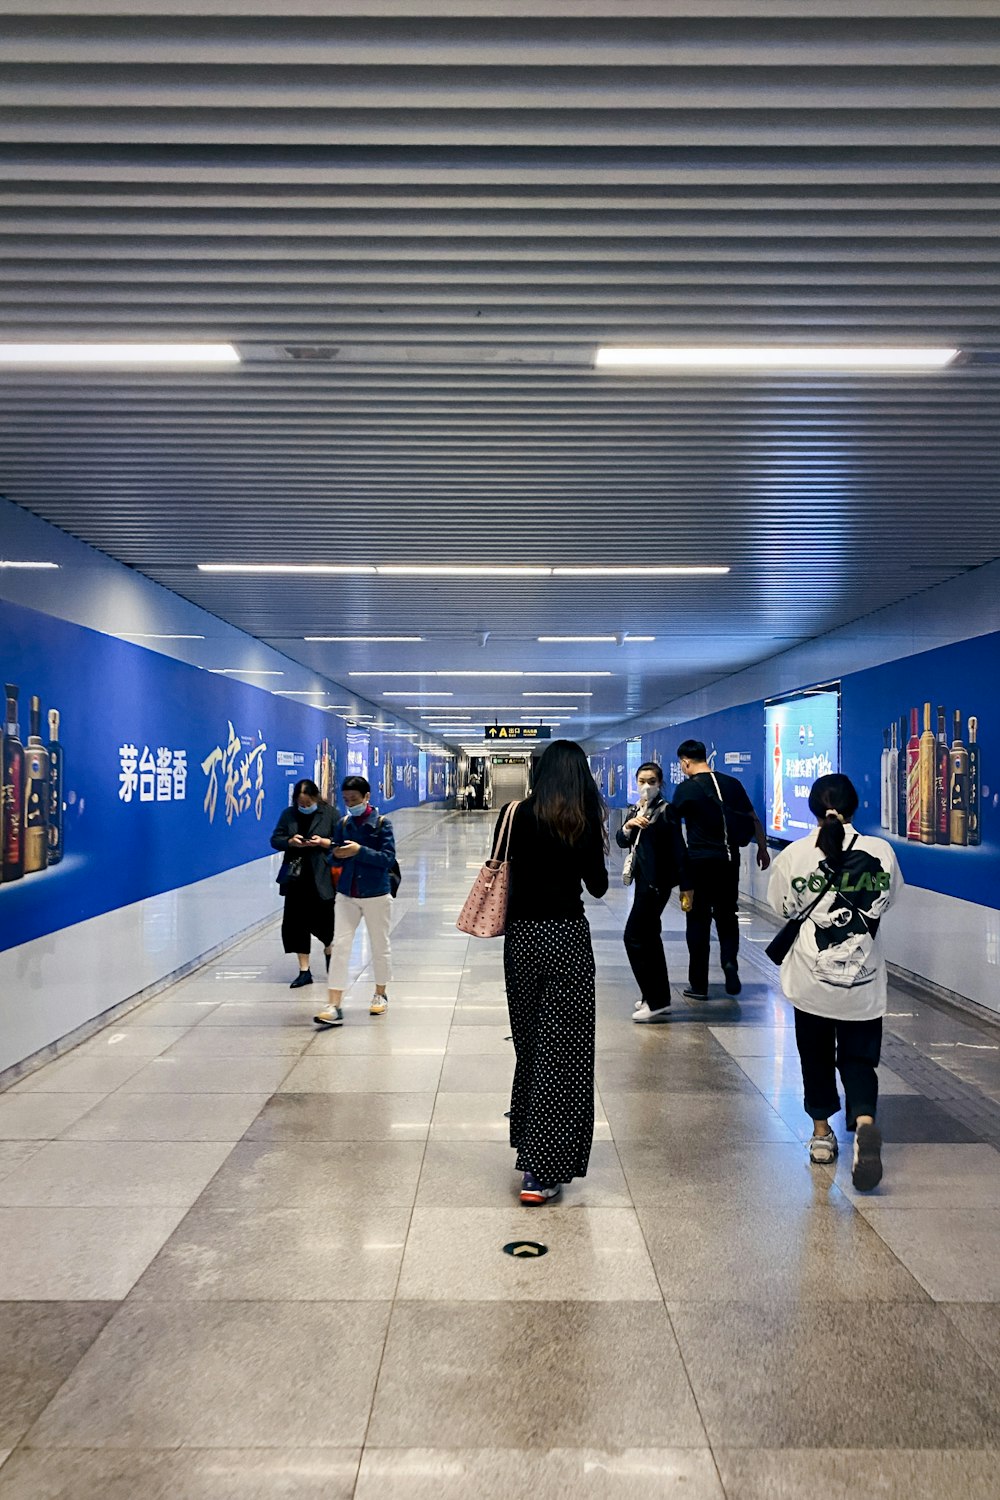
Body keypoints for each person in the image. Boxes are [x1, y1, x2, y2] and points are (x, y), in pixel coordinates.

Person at [767, 773, 902, 1191]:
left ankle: (822, 1137)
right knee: (860, 1059)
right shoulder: (880, 851)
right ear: (855, 805)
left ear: (811, 806)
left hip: (811, 981)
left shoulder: (795, 854)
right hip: (864, 983)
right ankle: (863, 1122)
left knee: (816, 1055)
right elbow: (888, 899)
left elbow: (782, 905)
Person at [496, 739, 609, 1205]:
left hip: (521, 941)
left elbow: (501, 868)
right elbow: (598, 887)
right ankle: (542, 1169)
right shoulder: (581, 820)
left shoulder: (513, 814)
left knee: (530, 1045)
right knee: (564, 1052)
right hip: (566, 939)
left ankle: (530, 1145)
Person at [673, 739, 771, 1000]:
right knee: (727, 915)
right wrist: (762, 848)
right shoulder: (732, 784)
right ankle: (729, 962)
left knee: (697, 920)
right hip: (729, 861)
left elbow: (672, 828)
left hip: (698, 863)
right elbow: (753, 818)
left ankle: (699, 984)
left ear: (685, 762)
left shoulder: (686, 789)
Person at [313, 776, 396, 1029]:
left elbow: (387, 858)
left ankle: (380, 993)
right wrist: (336, 854)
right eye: (346, 799)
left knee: (379, 945)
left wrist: (360, 851)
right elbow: (334, 856)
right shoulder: (343, 823)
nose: (350, 804)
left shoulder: (383, 824)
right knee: (339, 947)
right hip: (347, 893)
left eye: (355, 799)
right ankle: (334, 1004)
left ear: (367, 797)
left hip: (376, 893)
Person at [617, 761, 682, 1021]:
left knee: (633, 937)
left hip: (656, 885)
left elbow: (678, 849)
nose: (646, 786)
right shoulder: (637, 809)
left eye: (652, 781)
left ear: (661, 783)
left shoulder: (666, 811)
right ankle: (655, 997)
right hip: (643, 881)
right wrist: (630, 825)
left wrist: (686, 886)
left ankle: (654, 999)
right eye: (642, 781)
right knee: (650, 938)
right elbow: (622, 840)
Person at [270, 779, 339, 989]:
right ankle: (304, 970)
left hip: (322, 875)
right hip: (296, 877)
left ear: (316, 797)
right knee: (296, 924)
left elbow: (341, 842)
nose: (306, 806)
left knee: (327, 922)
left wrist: (323, 842)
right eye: (302, 803)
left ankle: (330, 953)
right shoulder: (288, 815)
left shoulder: (331, 814)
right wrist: (290, 841)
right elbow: (275, 839)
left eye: (309, 802)